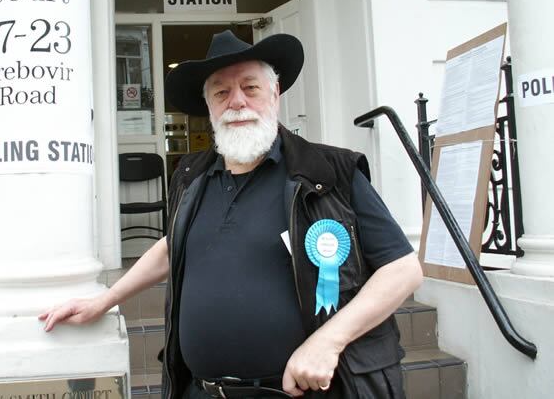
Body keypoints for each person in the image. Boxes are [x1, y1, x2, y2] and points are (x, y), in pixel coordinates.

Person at [40, 30, 423, 398]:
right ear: (209, 107)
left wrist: (328, 340)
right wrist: (103, 301)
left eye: (250, 87)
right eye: (221, 92)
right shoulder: (190, 177)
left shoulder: (331, 172)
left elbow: (403, 270)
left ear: (275, 93)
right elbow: (173, 246)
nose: (236, 102)